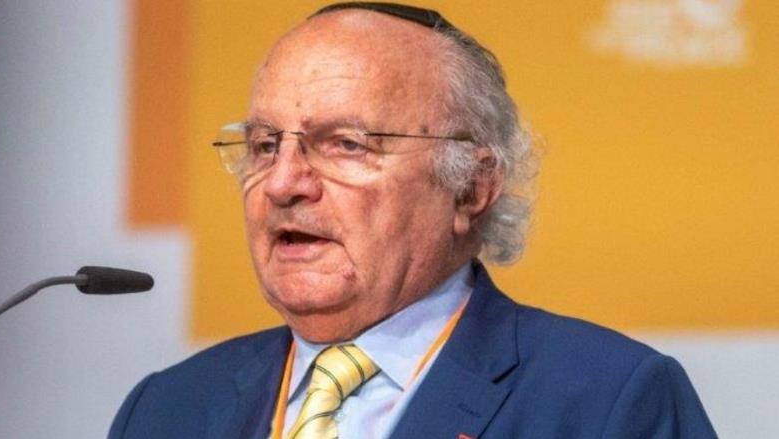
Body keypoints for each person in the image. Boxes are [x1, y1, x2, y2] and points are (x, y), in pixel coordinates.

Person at [108, 3, 716, 438]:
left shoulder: (607, 401)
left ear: (470, 187)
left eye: (345, 144)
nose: (283, 184)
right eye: (266, 145)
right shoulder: (165, 409)